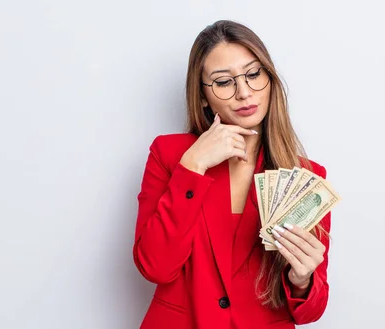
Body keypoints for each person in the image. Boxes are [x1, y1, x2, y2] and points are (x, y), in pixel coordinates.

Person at [132, 20, 332, 329]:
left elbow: (309, 312)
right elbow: (155, 267)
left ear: (270, 79)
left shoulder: (306, 177)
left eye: (253, 75)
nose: (244, 92)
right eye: (224, 82)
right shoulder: (171, 156)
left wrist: (302, 279)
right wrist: (193, 167)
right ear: (202, 96)